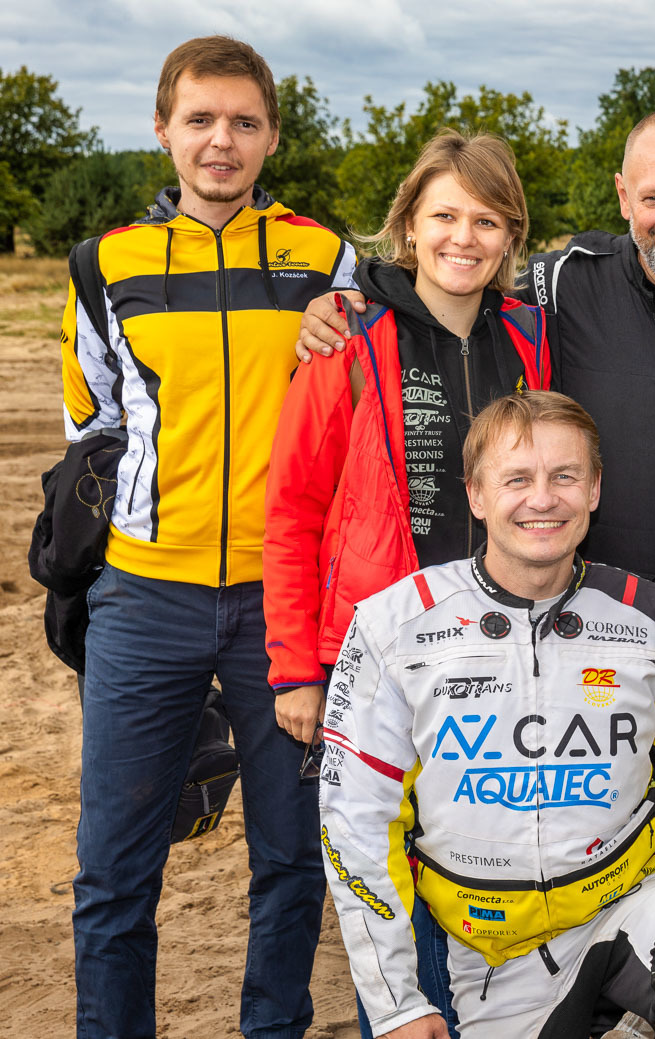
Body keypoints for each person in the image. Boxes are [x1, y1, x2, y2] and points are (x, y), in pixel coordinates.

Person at [317, 391, 655, 1039]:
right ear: (475, 494)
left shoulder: (654, 616)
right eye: (516, 479)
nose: (542, 498)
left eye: (564, 476)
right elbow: (355, 822)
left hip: (636, 907)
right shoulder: (391, 627)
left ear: (594, 490)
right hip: (495, 960)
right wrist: (396, 1005)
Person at [59, 36, 356, 1039]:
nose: (220, 140)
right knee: (114, 869)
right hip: (143, 600)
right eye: (199, 119)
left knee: (292, 858)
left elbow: (355, 409)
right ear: (162, 129)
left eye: (243, 122)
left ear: (272, 137)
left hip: (288, 605)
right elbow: (93, 424)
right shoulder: (104, 263)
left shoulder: (326, 258)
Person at [298, 108, 655, 677]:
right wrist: (351, 298)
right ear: (623, 196)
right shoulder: (559, 283)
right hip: (596, 618)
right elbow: (459, 276)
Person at [261, 128, 549, 1037]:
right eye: (444, 216)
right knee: (385, 879)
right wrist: (297, 669)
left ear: (510, 236)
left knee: (485, 866)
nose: (464, 237)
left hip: (500, 653)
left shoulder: (530, 339)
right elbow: (292, 510)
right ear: (409, 226)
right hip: (379, 658)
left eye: (487, 220)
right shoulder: (347, 338)